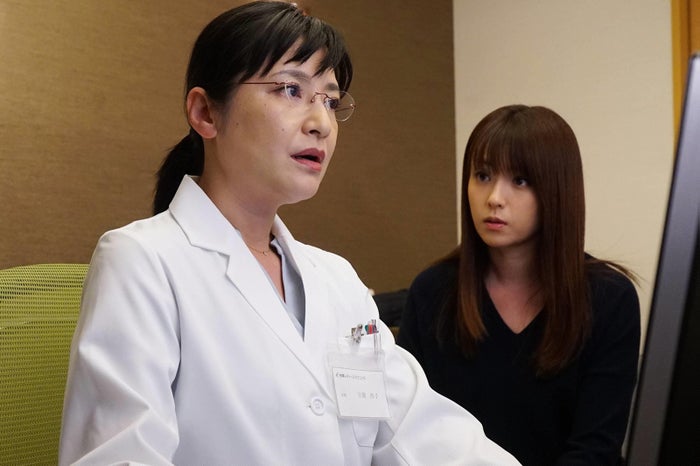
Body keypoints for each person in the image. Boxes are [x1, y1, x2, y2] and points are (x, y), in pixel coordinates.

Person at [58, 2, 520, 465]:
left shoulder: (337, 281)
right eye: (290, 89)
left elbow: (424, 433)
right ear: (205, 113)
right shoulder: (142, 261)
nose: (321, 123)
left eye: (330, 101)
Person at [397, 104, 641, 466]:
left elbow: (595, 450)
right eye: (482, 175)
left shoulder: (609, 298)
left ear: (557, 191)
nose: (494, 198)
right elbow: (409, 432)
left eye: (520, 181)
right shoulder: (433, 292)